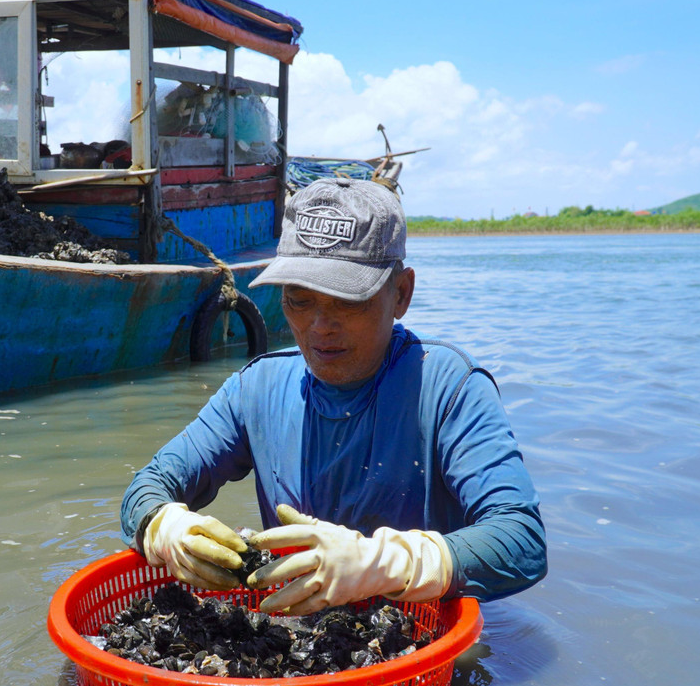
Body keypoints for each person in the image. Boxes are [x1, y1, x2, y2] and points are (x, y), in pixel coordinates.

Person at [120, 176, 546, 614]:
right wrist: (165, 527)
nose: (321, 326)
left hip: (417, 634)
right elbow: (147, 488)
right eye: (299, 300)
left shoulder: (448, 387)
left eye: (348, 302)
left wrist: (385, 564)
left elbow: (520, 540)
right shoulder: (256, 388)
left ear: (401, 293)